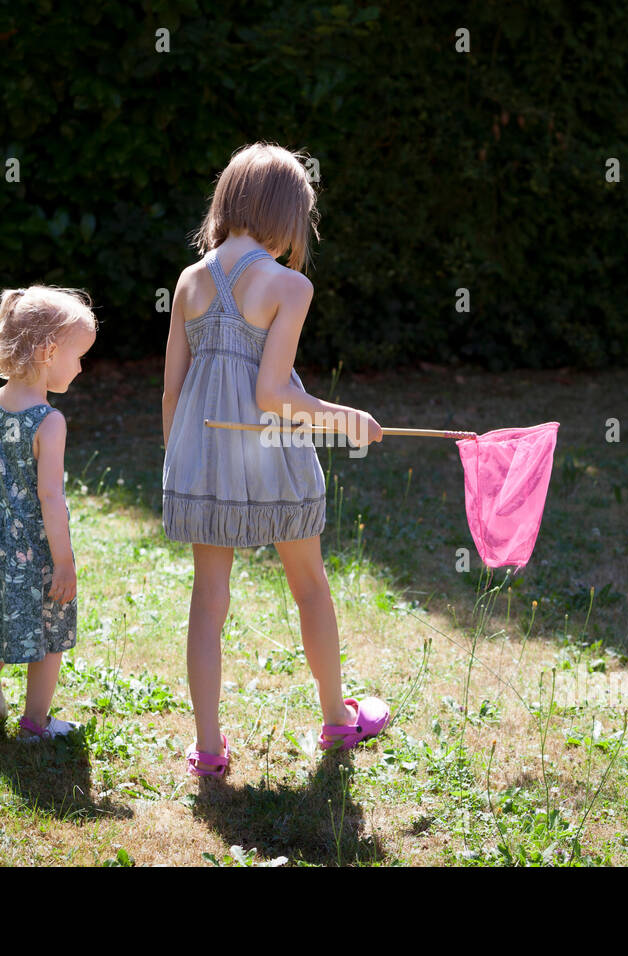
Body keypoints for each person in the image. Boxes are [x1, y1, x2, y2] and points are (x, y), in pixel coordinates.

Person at [161, 142, 391, 777]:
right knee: (309, 585)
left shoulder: (190, 281)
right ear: (289, 214)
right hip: (274, 458)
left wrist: (180, 460)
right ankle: (337, 721)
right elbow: (274, 394)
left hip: (205, 460)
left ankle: (208, 750)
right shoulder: (289, 285)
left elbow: (171, 390)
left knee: (208, 599)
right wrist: (345, 420)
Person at [0, 286, 97, 741]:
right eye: (77, 356)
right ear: (48, 351)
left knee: (0, 609)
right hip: (33, 545)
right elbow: (49, 497)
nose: (80, 367)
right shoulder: (49, 422)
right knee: (49, 626)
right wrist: (63, 561)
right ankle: (35, 724)